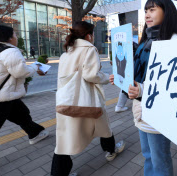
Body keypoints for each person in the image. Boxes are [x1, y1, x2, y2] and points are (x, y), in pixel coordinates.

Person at [110, 0, 177, 176]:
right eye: (145, 11)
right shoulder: (146, 40)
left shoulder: (174, 42)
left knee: (159, 158)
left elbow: (174, 83)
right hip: (141, 108)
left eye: (152, 9)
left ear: (166, 12)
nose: (147, 15)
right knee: (148, 155)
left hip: (158, 111)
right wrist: (121, 77)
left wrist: (142, 89)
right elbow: (138, 72)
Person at [51, 21, 125, 176]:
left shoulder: (67, 52)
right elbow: (91, 75)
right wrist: (107, 78)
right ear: (88, 35)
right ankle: (111, 151)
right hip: (88, 100)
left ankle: (58, 174)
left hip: (68, 100)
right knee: (103, 125)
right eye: (92, 33)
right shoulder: (89, 49)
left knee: (64, 140)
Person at [0, 25, 50, 163]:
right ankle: (35, 133)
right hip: (1, 98)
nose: (17, 37)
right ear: (9, 38)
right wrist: (37, 65)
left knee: (22, 114)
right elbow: (21, 72)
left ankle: (35, 133)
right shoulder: (11, 52)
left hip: (4, 94)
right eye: (15, 35)